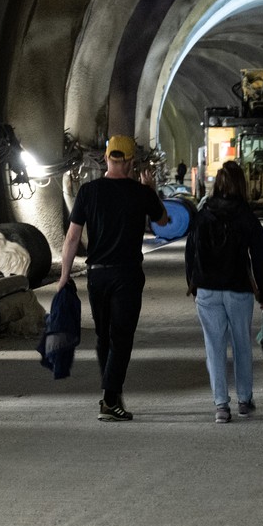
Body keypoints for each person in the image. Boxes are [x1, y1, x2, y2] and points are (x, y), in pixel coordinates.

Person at [58, 135, 171, 421]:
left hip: (97, 276)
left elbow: (72, 237)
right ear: (131, 161)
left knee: (103, 336)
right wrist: (152, 189)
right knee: (121, 337)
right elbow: (163, 221)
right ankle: (109, 399)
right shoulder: (140, 192)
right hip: (127, 274)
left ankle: (112, 390)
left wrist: (63, 276)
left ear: (106, 159)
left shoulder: (88, 191)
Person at [185, 161, 263, 423]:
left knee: (215, 347)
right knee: (242, 345)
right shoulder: (246, 216)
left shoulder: (203, 214)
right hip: (238, 289)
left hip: (208, 290)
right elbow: (259, 256)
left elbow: (191, 251)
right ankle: (245, 399)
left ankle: (221, 405)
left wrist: (192, 283)